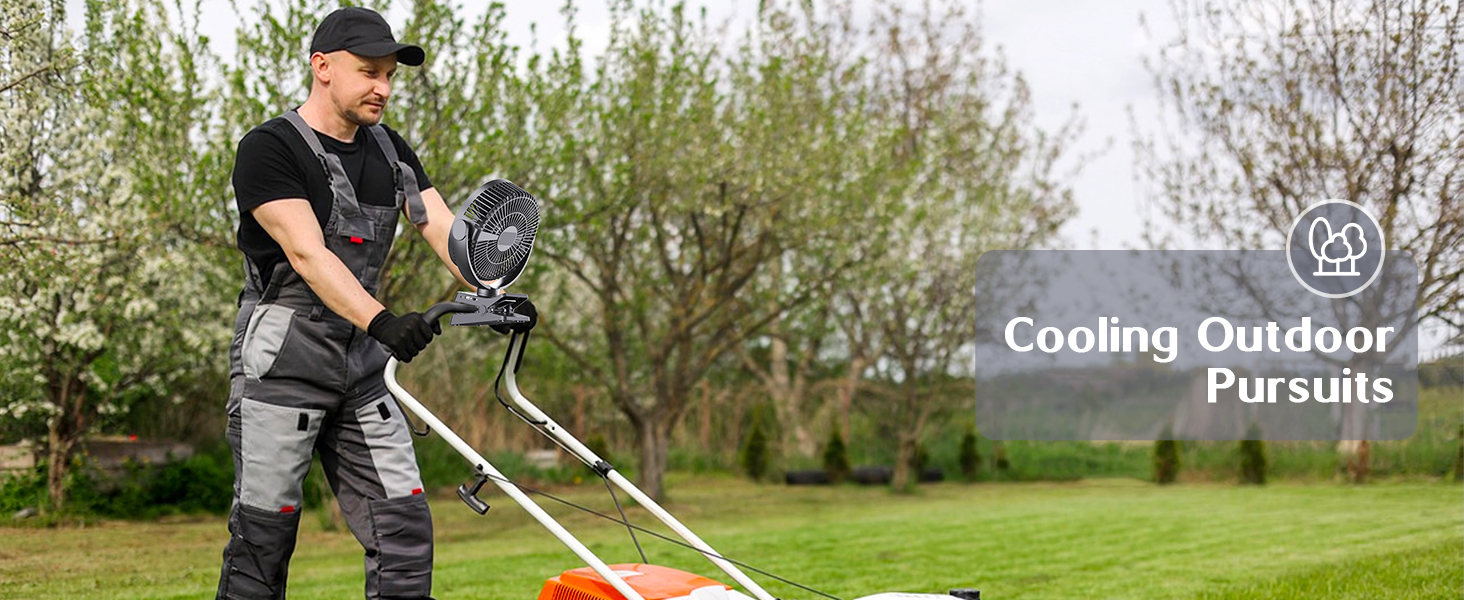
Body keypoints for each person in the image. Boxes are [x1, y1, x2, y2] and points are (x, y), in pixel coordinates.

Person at [217, 7, 470, 599]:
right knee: (264, 540)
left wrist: (489, 283)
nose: (383, 88)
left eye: (389, 75)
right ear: (323, 67)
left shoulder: (388, 149)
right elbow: (307, 255)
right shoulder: (270, 148)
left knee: (404, 526)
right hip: (284, 363)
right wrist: (382, 321)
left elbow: (438, 225)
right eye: (369, 72)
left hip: (359, 367)